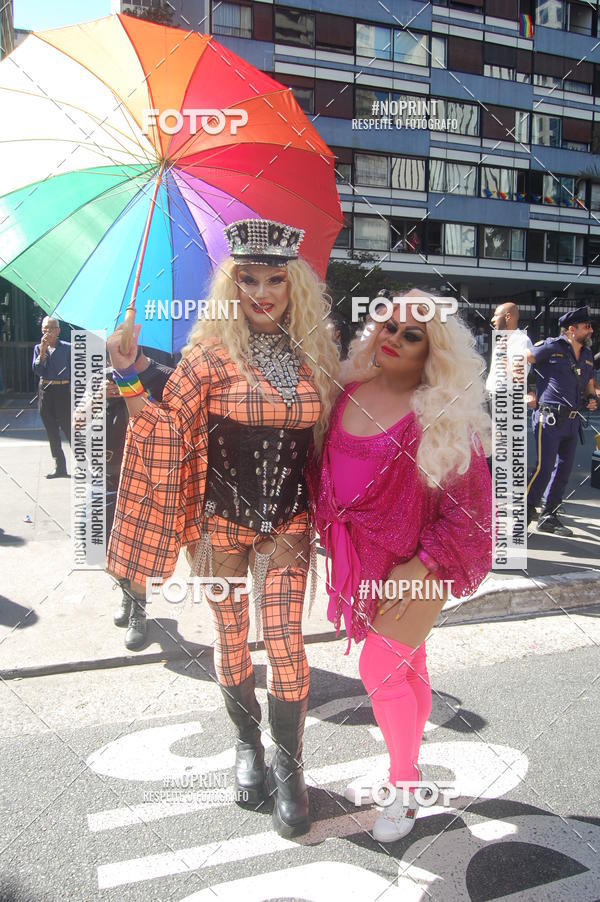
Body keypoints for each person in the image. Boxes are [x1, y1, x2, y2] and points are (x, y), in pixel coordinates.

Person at [106, 219, 339, 838]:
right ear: (231, 287)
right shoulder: (208, 356)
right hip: (218, 527)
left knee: (287, 641)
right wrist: (128, 374)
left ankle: (290, 766)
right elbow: (162, 430)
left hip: (289, 522)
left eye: (275, 281)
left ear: (296, 288)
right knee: (230, 637)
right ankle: (247, 746)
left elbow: (340, 443)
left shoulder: (315, 355)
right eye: (249, 280)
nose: (262, 292)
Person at [308, 291, 492, 843]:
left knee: (379, 670)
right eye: (388, 325)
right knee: (409, 667)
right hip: (360, 563)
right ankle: (409, 761)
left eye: (411, 335)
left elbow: (473, 515)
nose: (392, 338)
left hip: (419, 566)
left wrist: (424, 563)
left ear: (432, 354)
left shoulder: (442, 415)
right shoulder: (345, 391)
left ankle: (405, 785)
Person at [526, 306, 598, 535]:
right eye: (586, 327)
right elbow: (522, 363)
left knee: (563, 470)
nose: (591, 330)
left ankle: (549, 515)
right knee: (544, 468)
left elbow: (588, 384)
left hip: (572, 421)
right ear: (571, 329)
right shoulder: (550, 347)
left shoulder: (587, 356)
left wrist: (592, 397)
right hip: (549, 418)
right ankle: (525, 512)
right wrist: (526, 392)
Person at [32, 316, 71, 478]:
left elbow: (76, 371)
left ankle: (85, 466)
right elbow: (37, 370)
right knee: (51, 431)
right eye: (46, 328)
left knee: (70, 430)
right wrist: (42, 351)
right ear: (42, 330)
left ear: (58, 330)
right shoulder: (38, 348)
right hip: (46, 391)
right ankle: (59, 466)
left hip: (63, 391)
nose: (48, 331)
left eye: (52, 328)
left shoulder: (68, 348)